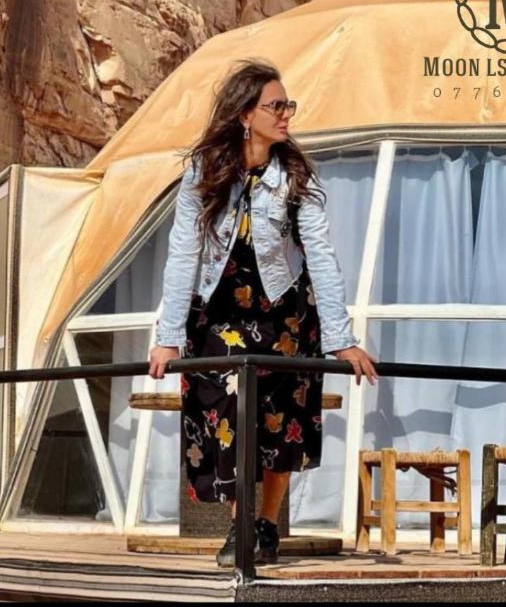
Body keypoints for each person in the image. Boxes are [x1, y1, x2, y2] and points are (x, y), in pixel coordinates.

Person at [147, 58, 378, 567]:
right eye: (277, 105)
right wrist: (168, 335)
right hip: (219, 314)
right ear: (245, 114)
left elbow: (321, 256)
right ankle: (242, 524)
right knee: (226, 412)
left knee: (279, 423)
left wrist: (341, 337)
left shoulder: (296, 176)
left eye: (288, 105)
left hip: (284, 316)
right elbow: (184, 252)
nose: (287, 114)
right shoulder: (202, 174)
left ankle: (264, 526)